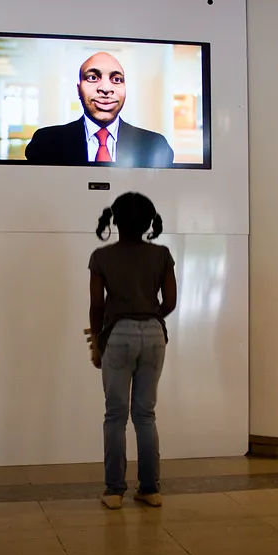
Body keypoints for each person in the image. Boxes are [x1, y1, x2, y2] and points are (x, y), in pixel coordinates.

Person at [86, 192, 177, 510]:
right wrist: (147, 316)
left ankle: (114, 492)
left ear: (115, 221)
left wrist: (98, 340)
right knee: (145, 415)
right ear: (149, 222)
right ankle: (150, 489)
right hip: (154, 334)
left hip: (118, 334)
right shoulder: (162, 254)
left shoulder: (101, 257)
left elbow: (97, 305)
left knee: (115, 416)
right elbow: (170, 302)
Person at [25, 52, 175, 168]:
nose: (105, 89)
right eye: (92, 77)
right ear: (78, 90)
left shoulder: (155, 145)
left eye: (116, 79)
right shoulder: (46, 142)